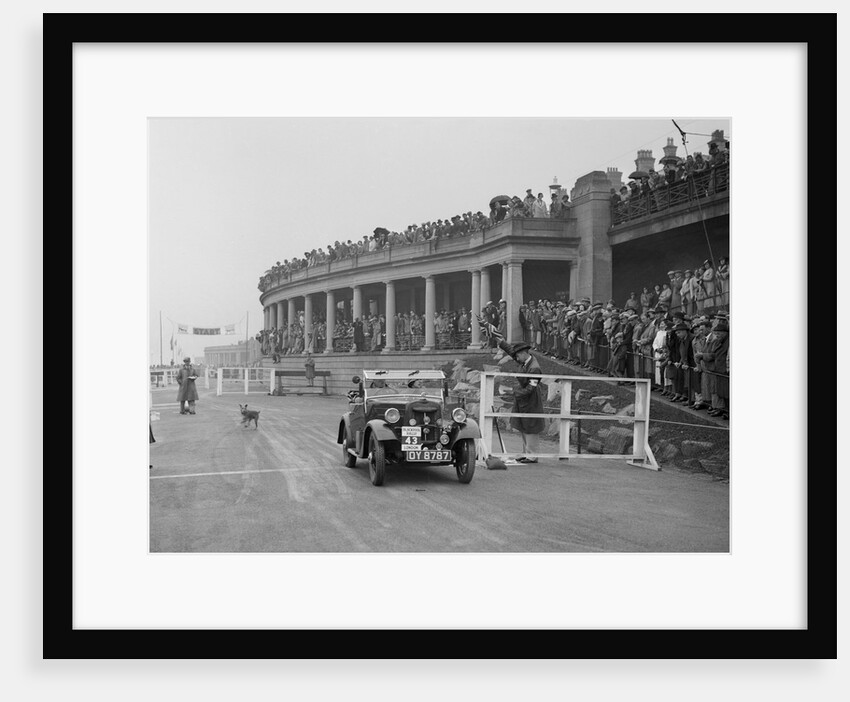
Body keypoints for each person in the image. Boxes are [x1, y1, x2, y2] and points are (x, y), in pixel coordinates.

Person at [496, 338, 545, 464]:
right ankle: (526, 452)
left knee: (531, 426)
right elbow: (512, 351)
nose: (516, 358)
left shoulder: (534, 368)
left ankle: (532, 455)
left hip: (531, 399)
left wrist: (513, 392)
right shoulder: (524, 360)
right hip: (523, 398)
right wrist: (500, 341)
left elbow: (530, 389)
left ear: (524, 353)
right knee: (524, 425)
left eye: (518, 356)